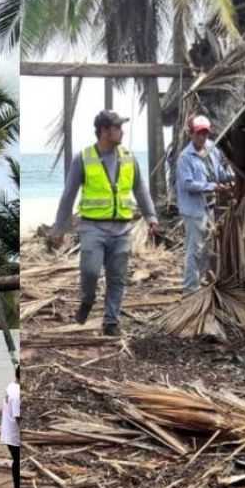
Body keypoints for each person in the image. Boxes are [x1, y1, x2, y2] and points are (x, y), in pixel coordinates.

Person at [50, 110, 161, 337]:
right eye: (117, 127)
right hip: (93, 227)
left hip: (122, 228)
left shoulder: (129, 157)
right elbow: (68, 195)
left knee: (117, 278)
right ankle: (87, 299)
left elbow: (140, 188)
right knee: (90, 271)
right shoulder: (83, 158)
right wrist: (59, 228)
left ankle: (111, 322)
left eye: (121, 127)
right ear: (103, 131)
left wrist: (151, 217)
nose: (122, 131)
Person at [176, 115, 235, 294]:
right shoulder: (185, 158)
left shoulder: (212, 150)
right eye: (199, 133)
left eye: (205, 133)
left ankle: (198, 285)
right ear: (191, 134)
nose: (202, 137)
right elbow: (187, 184)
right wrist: (212, 187)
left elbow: (220, 173)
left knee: (208, 251)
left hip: (209, 209)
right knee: (194, 251)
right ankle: (189, 292)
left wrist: (231, 177)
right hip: (194, 211)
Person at [2, 366, 22, 488]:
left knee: (17, 463)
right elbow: (18, 417)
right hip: (16, 436)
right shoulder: (17, 394)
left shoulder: (11, 386)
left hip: (9, 433)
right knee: (19, 464)